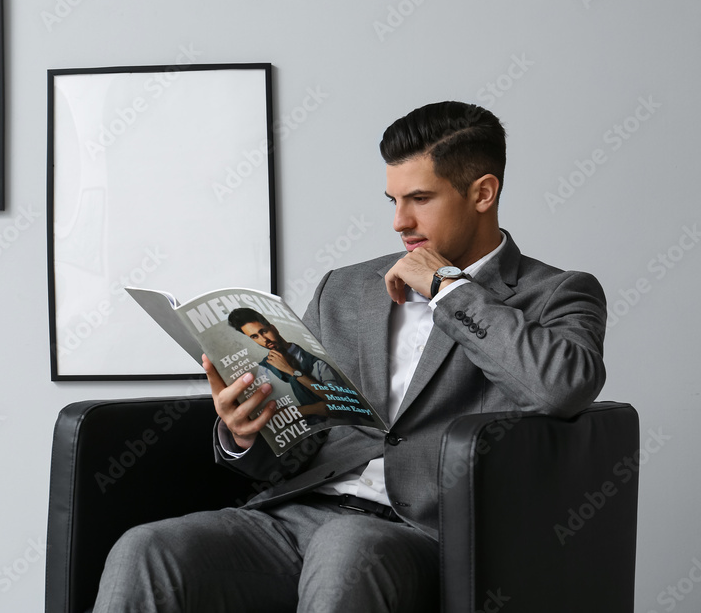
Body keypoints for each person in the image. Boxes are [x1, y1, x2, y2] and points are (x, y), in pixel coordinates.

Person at [93, 101, 607, 612]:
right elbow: (302, 440)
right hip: (300, 515)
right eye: (393, 200)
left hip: (427, 533)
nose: (400, 222)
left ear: (483, 193)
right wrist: (244, 433)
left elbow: (560, 388)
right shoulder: (346, 289)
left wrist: (448, 288)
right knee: (146, 549)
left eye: (420, 199)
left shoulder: (556, 293)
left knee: (347, 549)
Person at [226, 307, 353, 422]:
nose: (264, 340)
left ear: (273, 328)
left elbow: (339, 404)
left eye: (263, 331)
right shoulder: (263, 370)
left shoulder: (317, 359)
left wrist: (292, 371)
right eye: (255, 336)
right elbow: (266, 416)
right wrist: (314, 408)